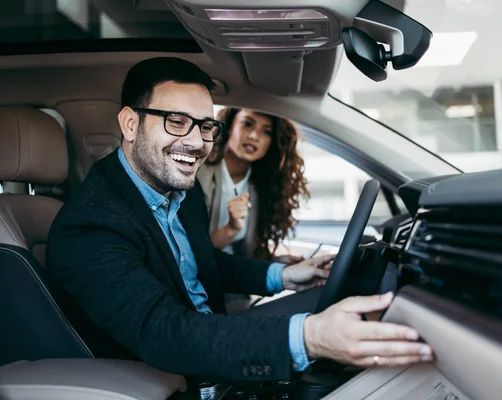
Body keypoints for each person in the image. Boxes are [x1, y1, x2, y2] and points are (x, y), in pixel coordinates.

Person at [46, 57, 434, 385]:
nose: (197, 143)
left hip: (210, 334)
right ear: (130, 124)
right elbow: (163, 333)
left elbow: (207, 264)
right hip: (171, 377)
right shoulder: (90, 223)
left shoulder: (180, 191)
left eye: (204, 125)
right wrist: (311, 338)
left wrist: (282, 276)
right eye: (176, 121)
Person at [197, 107, 308, 264]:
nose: (255, 136)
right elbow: (193, 253)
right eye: (247, 124)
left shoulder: (260, 186)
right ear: (229, 126)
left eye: (267, 131)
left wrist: (277, 263)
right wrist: (231, 229)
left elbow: (246, 256)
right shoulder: (199, 173)